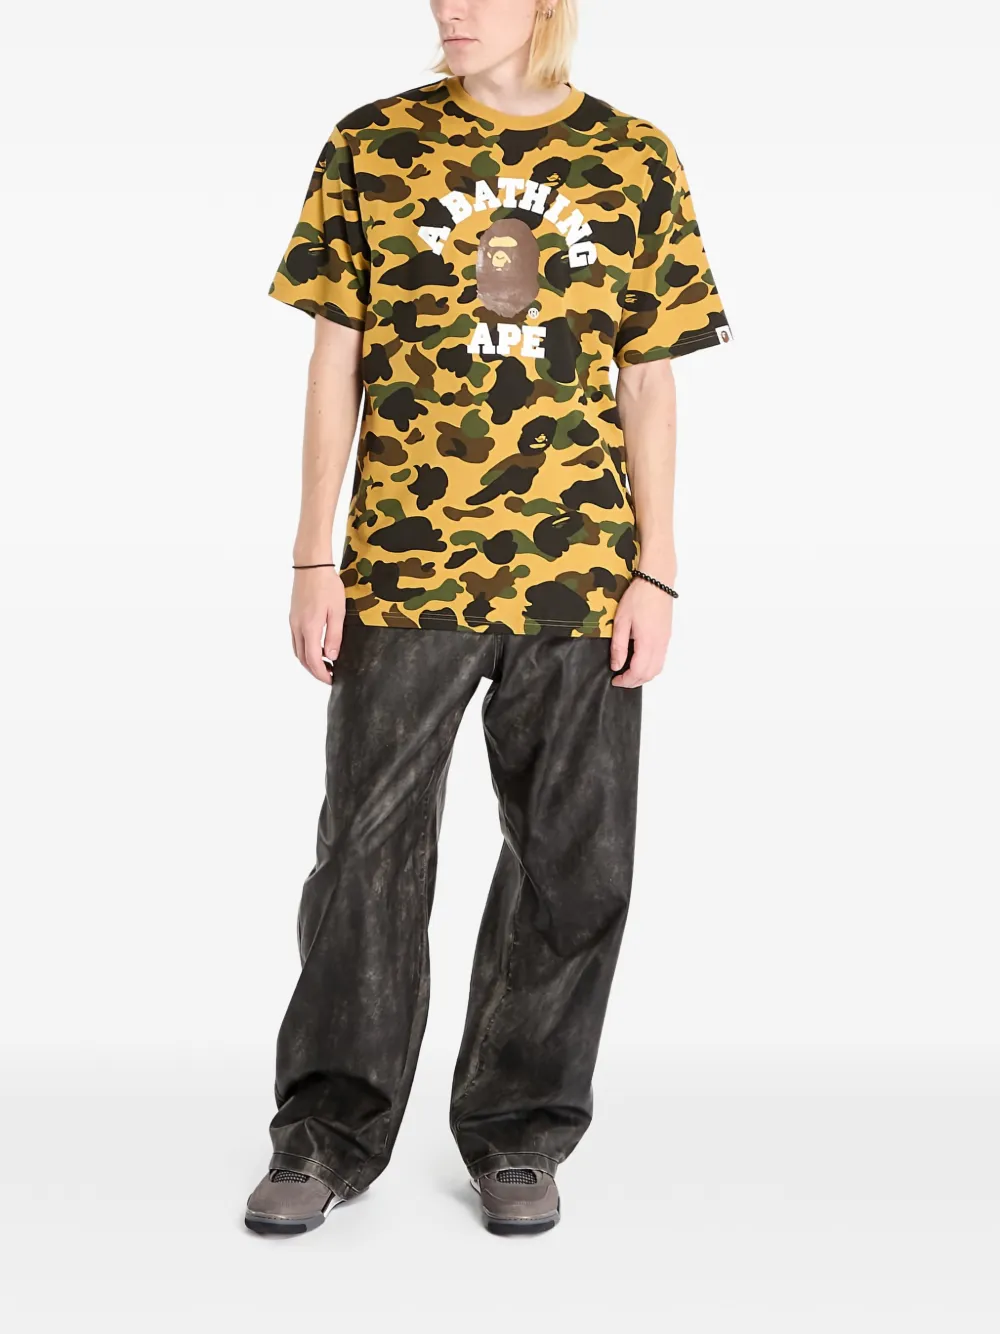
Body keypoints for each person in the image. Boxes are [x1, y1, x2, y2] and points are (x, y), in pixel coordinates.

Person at [244, 0, 733, 1238]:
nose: (449, 7)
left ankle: (519, 1131)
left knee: (574, 867)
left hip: (579, 574)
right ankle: (326, 1128)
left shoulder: (633, 157)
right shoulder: (372, 145)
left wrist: (657, 567)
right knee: (363, 858)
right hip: (402, 568)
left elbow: (647, 376)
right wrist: (312, 551)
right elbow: (334, 359)